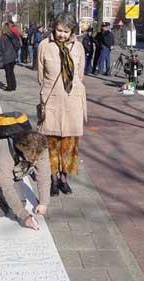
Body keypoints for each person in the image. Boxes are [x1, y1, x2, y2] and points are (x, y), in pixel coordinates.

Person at [37, 12, 87, 196]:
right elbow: (41, 76)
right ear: (54, 28)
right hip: (51, 101)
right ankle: (53, 179)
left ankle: (64, 178)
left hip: (72, 101)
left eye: (66, 31)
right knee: (51, 143)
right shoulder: (44, 46)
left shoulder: (79, 48)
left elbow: (80, 75)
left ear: (72, 31)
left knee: (69, 144)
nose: (62, 35)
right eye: (59, 30)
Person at [0, 23, 20, 91]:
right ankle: (13, 86)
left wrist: (0, 58)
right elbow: (18, 44)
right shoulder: (13, 35)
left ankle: (9, 86)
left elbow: (1, 48)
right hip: (13, 56)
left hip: (6, 57)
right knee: (11, 72)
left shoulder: (3, 37)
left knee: (8, 73)